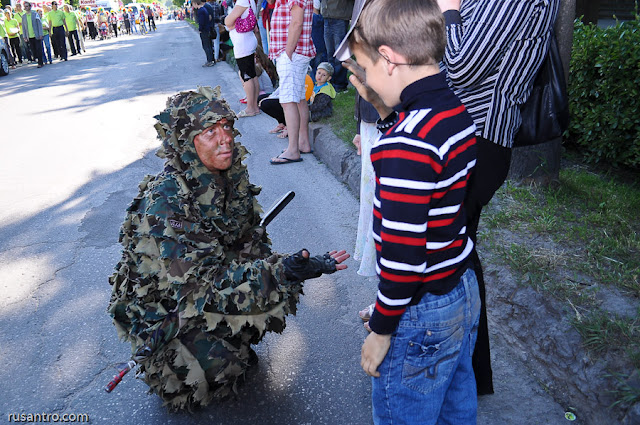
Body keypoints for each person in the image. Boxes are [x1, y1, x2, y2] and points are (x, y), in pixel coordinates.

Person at [107, 86, 349, 410]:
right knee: (217, 370)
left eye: (227, 126)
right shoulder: (166, 204)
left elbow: (250, 239)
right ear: (185, 141)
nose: (225, 139)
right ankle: (177, 360)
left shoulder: (228, 176)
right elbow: (203, 288)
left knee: (268, 289)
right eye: (209, 131)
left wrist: (290, 267)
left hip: (205, 280)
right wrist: (280, 272)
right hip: (169, 309)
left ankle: (231, 335)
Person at [341, 0, 479, 423]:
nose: (362, 77)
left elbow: (403, 257)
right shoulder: (452, 111)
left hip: (420, 312)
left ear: (389, 58)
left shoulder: (407, 143)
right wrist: (387, 119)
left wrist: (381, 330)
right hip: (461, 290)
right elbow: (431, 181)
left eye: (363, 65)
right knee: (455, 408)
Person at [436, 0, 560, 396]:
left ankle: (458, 372)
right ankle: (469, 371)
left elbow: (461, 64)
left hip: (476, 137)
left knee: (449, 250)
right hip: (472, 136)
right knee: (456, 248)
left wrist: (449, 10)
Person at [267, 0, 315, 165]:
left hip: (292, 53)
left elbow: (297, 22)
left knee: (288, 101)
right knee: (299, 98)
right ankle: (303, 143)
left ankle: (293, 150)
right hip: (294, 52)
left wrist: (287, 54)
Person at [225, 0, 261, 117]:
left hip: (243, 44)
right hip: (248, 40)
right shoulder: (250, 1)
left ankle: (250, 108)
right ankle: (254, 107)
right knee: (252, 74)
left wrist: (232, 23)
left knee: (246, 76)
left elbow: (227, 21)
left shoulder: (242, 1)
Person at [320, 0, 353, 92]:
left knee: (339, 54)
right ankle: (331, 83)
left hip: (340, 18)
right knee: (330, 54)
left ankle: (340, 85)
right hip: (327, 17)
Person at [21, 2, 44, 68]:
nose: (26, 8)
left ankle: (40, 62)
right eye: (25, 6)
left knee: (38, 48)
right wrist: (24, 36)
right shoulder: (24, 16)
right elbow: (23, 27)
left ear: (30, 7)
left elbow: (39, 24)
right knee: (33, 49)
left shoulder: (35, 14)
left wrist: (40, 34)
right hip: (29, 36)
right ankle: (37, 59)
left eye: (27, 6)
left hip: (36, 35)